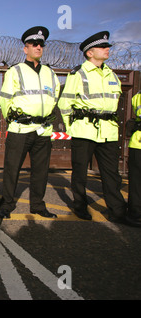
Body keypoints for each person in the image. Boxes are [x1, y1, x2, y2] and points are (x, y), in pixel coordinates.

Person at [58, 31, 128, 223]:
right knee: (80, 173)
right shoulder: (78, 74)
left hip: (109, 132)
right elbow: (65, 104)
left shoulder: (111, 74)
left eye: (107, 47)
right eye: (103, 47)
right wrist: (71, 128)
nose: (107, 50)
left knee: (112, 175)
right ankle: (80, 206)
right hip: (84, 130)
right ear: (90, 53)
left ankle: (118, 211)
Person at [0, 26, 60, 219]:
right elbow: (4, 98)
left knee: (41, 171)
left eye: (41, 44)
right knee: (12, 168)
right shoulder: (15, 71)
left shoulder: (50, 73)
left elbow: (55, 96)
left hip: (43, 129)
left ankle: (38, 205)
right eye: (34, 44)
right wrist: (13, 118)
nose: (38, 47)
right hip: (20, 128)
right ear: (25, 49)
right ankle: (6, 204)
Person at [126, 91, 141, 227]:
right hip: (138, 142)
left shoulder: (137, 96)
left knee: (136, 183)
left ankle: (135, 214)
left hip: (137, 142)